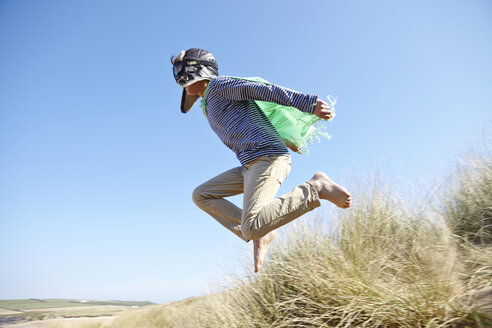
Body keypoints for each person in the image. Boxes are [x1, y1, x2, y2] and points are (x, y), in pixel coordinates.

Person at [171, 48, 352, 272]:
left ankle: (316, 188)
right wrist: (285, 138)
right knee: (201, 195)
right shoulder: (208, 106)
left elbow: (261, 90)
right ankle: (260, 230)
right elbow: (253, 118)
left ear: (196, 69)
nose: (177, 76)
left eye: (180, 69)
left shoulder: (219, 87)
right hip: (250, 164)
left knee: (252, 226)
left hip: (268, 158)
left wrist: (308, 103)